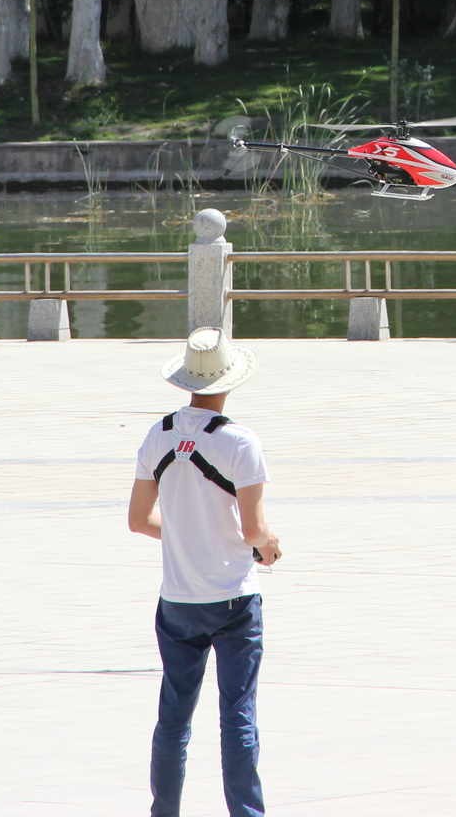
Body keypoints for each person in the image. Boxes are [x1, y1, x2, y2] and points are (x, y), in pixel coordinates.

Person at [129, 327, 282, 817]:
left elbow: (138, 521)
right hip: (235, 598)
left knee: (173, 717)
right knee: (237, 713)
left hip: (177, 598)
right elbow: (256, 530)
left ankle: (164, 811)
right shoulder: (240, 441)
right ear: (230, 380)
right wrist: (270, 546)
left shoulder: (159, 435)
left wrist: (183, 537)